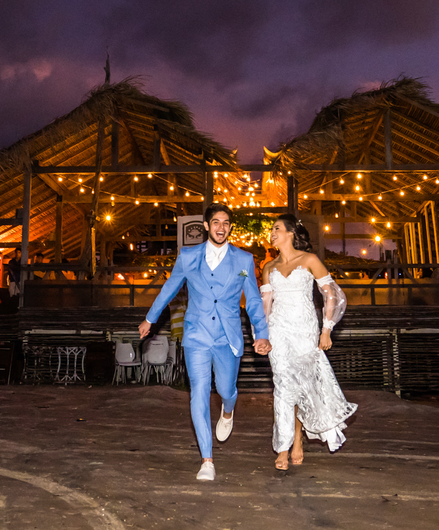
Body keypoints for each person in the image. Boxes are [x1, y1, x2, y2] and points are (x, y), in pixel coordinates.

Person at [139, 203, 271, 482]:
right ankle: (207, 459)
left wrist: (262, 334)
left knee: (226, 389)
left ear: (230, 227)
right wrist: (150, 319)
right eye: (216, 222)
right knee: (198, 391)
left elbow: (255, 300)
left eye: (226, 223)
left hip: (227, 337)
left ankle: (228, 409)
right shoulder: (188, 257)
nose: (221, 227)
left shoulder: (243, 261)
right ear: (207, 226)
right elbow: (169, 288)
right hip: (196, 335)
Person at [261, 214, 357, 470]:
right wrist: (262, 334)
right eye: (272, 229)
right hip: (278, 330)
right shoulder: (268, 267)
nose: (272, 232)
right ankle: (282, 446)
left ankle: (298, 438)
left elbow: (332, 295)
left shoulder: (310, 260)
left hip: (305, 329)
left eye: (277, 228)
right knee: (282, 386)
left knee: (302, 386)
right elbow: (265, 306)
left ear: (291, 233)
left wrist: (326, 330)